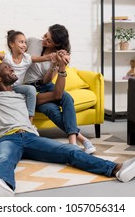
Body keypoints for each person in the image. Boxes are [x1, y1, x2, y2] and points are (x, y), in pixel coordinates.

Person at [0, 31, 135, 197]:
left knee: (70, 151)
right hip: (6, 138)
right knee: (4, 159)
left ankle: (117, 169)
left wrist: (61, 69)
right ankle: (4, 186)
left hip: (31, 137)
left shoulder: (25, 95)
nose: (12, 68)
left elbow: (56, 94)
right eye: (7, 68)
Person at [0, 30, 55, 146]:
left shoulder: (27, 58)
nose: (24, 45)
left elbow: (44, 58)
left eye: (25, 42)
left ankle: (30, 125)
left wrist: (54, 56)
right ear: (12, 44)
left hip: (16, 88)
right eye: (21, 42)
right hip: (1, 86)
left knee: (31, 90)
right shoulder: (7, 58)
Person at [24, 24, 96, 154]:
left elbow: (46, 80)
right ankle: (82, 139)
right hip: (29, 88)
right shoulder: (32, 42)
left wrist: (56, 64)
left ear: (56, 45)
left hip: (45, 86)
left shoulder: (57, 55)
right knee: (55, 103)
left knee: (63, 100)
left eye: (49, 40)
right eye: (46, 35)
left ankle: (72, 144)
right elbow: (19, 59)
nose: (44, 40)